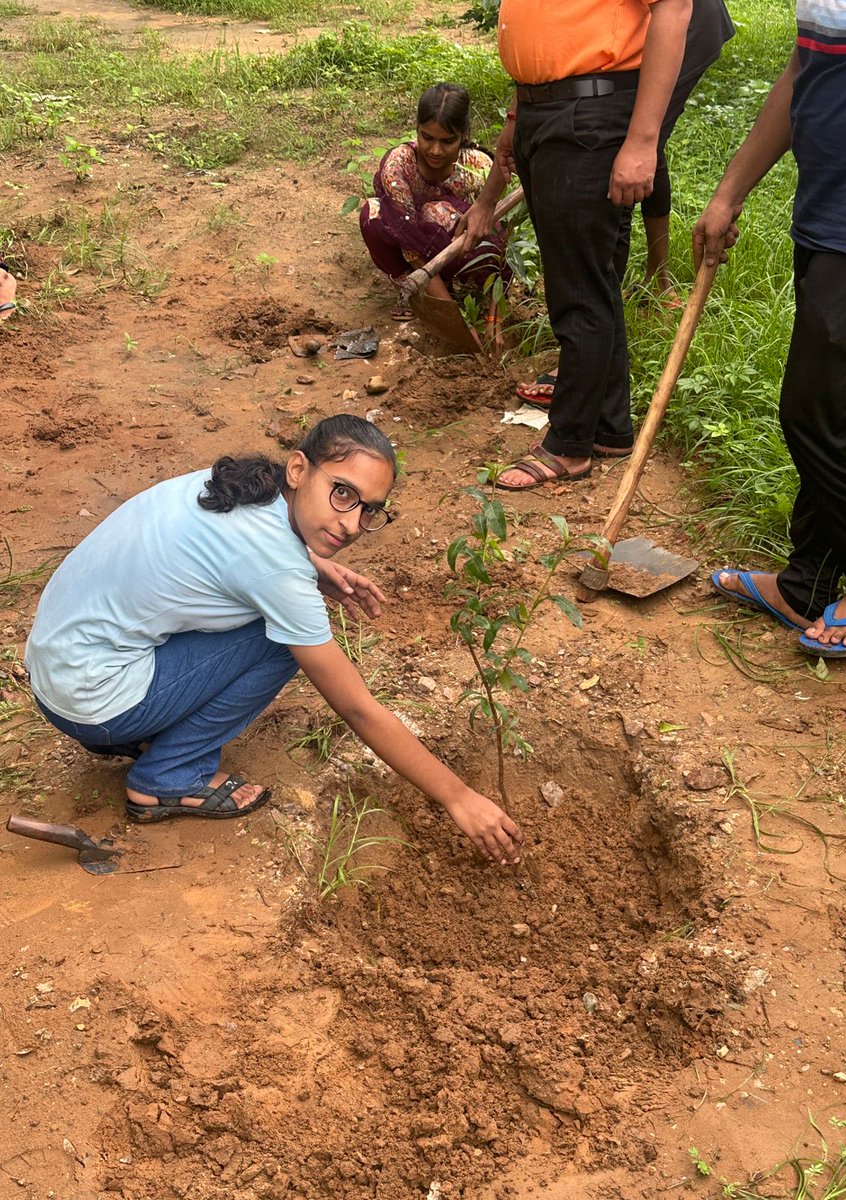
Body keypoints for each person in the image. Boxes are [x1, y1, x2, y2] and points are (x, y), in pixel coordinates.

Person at [24, 415, 524, 863]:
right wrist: (458, 797)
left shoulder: (236, 485)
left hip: (57, 669)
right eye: (343, 492)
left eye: (369, 509)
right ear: (298, 469)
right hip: (92, 702)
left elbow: (243, 558)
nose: (351, 523)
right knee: (283, 639)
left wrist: (311, 567)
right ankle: (168, 778)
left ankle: (151, 732)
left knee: (278, 619)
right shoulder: (275, 572)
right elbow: (356, 708)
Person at [694, 2, 846, 660]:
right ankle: (807, 580)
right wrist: (730, 190)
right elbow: (801, 70)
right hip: (826, 204)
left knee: (818, 406)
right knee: (833, 394)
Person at [461, 0, 694, 490]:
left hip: (589, 113)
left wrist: (643, 140)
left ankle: (568, 445)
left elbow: (675, 7)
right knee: (591, 277)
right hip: (544, 108)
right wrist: (515, 116)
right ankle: (608, 428)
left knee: (577, 290)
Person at [513, 0, 735, 409]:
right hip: (627, 37)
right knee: (624, 157)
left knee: (634, 151)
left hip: (681, 26)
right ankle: (596, 361)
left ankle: (595, 345)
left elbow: (674, 8)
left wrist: (641, 140)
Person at [359, 82, 508, 320]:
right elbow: (411, 246)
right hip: (415, 256)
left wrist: (495, 315)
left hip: (461, 255)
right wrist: (449, 315)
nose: (436, 151)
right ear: (416, 129)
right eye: (427, 138)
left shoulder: (479, 168)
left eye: (447, 141)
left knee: (438, 213)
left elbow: (500, 238)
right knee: (373, 215)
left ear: (462, 136)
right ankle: (412, 292)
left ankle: (472, 290)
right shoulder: (398, 167)